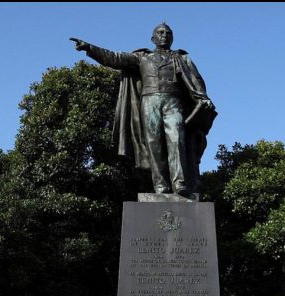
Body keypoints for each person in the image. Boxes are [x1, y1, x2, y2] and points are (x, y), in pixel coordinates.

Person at [71, 22, 217, 196]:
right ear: (153, 38)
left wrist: (203, 98)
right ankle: (161, 186)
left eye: (168, 33)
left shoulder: (181, 58)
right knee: (155, 144)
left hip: (173, 101)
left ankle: (180, 183)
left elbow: (195, 81)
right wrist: (90, 48)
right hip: (150, 102)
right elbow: (115, 58)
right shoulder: (142, 57)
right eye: (160, 32)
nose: (165, 35)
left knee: (176, 139)